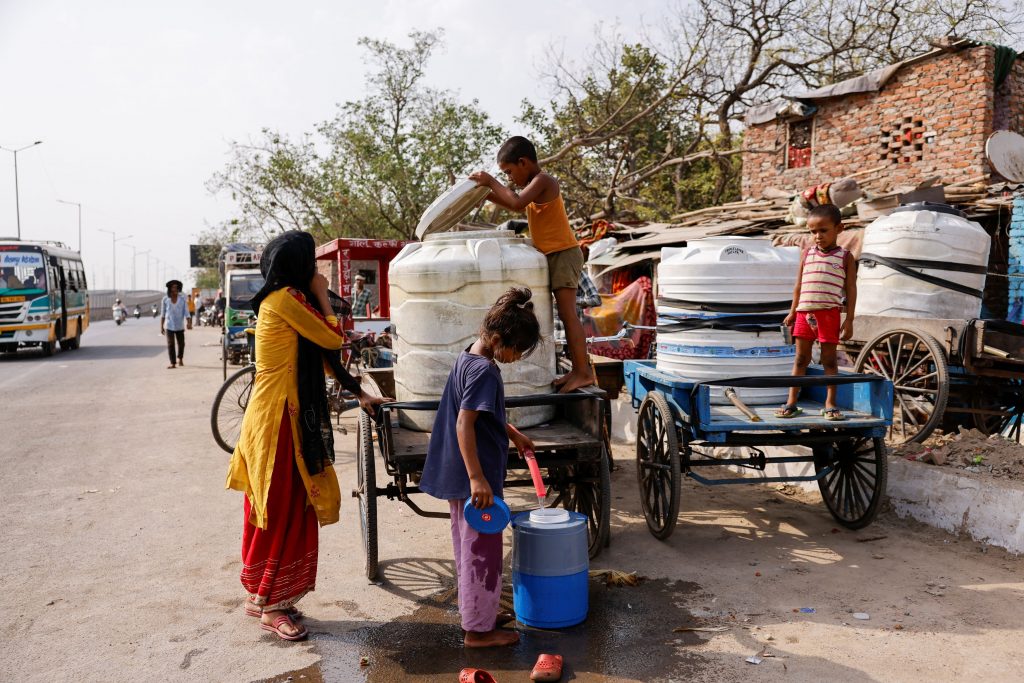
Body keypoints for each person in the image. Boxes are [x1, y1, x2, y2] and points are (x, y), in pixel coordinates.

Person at [225, 230, 388, 642]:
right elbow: (333, 338)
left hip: (282, 416)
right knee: (280, 508)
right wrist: (320, 293)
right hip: (279, 419)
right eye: (311, 265)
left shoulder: (288, 302)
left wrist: (360, 393)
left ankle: (265, 594)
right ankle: (273, 606)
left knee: (287, 504)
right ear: (298, 268)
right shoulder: (285, 301)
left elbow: (323, 356)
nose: (317, 272)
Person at [419, 287, 541, 648]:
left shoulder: (468, 356)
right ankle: (478, 631)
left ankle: (479, 611)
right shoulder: (485, 371)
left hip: (464, 476)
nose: (517, 358)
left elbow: (484, 413)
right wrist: (478, 479)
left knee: (467, 546)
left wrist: (514, 433)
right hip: (476, 480)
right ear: (500, 339)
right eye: (518, 350)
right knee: (481, 552)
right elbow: (464, 423)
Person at [471, 136, 595, 393]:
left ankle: (583, 373)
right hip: (553, 255)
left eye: (509, 172)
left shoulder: (544, 181)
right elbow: (511, 201)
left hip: (563, 253)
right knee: (564, 314)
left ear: (523, 162)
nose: (508, 178)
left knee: (569, 315)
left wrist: (490, 181)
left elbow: (515, 203)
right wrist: (484, 192)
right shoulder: (533, 185)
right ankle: (577, 370)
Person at [776, 204, 857, 421]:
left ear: (839, 228)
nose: (817, 236)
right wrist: (792, 312)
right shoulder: (807, 254)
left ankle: (830, 403)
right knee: (801, 359)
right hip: (804, 313)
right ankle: (792, 402)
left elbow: (850, 289)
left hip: (829, 313)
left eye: (823, 230)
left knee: (829, 361)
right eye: (812, 232)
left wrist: (848, 320)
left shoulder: (845, 256)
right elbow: (798, 286)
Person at [160, 280, 192, 368]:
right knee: (170, 344)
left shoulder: (182, 299)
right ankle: (173, 362)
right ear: (170, 289)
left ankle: (180, 358)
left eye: (176, 287)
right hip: (169, 325)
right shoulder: (165, 299)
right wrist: (161, 326)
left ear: (179, 289)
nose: (174, 289)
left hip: (179, 326)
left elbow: (187, 312)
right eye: (173, 287)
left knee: (181, 343)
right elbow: (163, 313)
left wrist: (189, 322)